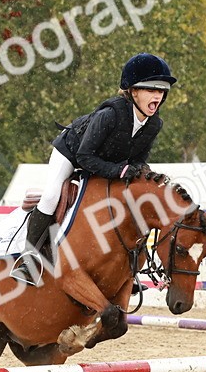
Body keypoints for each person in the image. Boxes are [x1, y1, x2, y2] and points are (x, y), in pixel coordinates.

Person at [11, 52, 176, 285]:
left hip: (105, 161)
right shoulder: (110, 115)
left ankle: (121, 271)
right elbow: (84, 156)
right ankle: (29, 258)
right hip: (71, 153)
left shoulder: (154, 124)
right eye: (151, 90)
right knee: (50, 195)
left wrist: (144, 175)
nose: (157, 96)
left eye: (161, 91)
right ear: (133, 91)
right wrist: (119, 171)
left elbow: (139, 159)